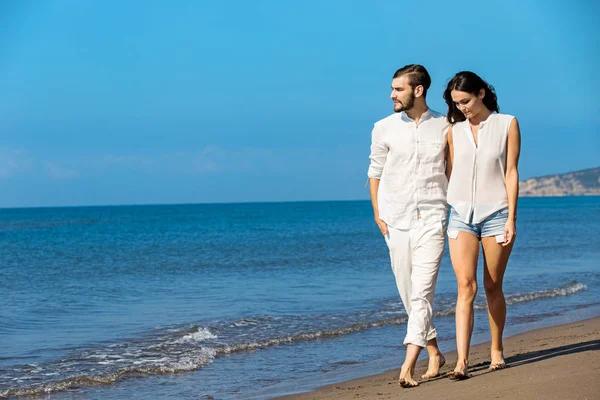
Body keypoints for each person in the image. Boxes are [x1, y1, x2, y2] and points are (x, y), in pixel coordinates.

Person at [368, 64, 449, 387]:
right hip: (395, 220)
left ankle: (407, 365)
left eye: (398, 89)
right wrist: (378, 215)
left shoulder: (446, 126)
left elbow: (454, 169)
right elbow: (374, 172)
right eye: (392, 89)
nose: (391, 95)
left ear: (418, 90)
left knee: (422, 292)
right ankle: (434, 351)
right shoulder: (383, 127)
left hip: (432, 217)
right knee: (408, 293)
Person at [443, 71, 521, 380]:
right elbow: (447, 171)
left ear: (481, 94)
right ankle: (461, 361)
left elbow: (511, 172)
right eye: (456, 103)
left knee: (491, 286)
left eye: (465, 101)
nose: (461, 107)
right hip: (460, 214)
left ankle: (496, 350)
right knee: (465, 286)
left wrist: (511, 218)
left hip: (497, 214)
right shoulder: (453, 131)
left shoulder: (507, 124)